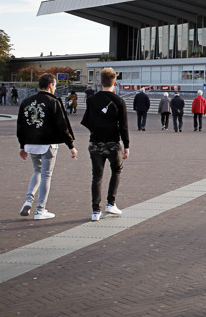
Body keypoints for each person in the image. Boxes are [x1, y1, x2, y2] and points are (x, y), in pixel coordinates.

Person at [17, 73, 77, 220]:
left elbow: (20, 125)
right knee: (46, 175)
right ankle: (40, 209)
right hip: (47, 144)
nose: (55, 88)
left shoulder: (27, 102)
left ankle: (29, 199)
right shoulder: (53, 101)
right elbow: (63, 125)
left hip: (31, 143)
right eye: (55, 85)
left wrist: (22, 145)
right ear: (50, 85)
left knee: (37, 171)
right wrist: (71, 145)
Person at [81, 67, 130, 221]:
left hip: (95, 142)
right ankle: (111, 203)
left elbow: (86, 121)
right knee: (116, 170)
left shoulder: (91, 100)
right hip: (113, 142)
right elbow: (123, 126)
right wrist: (126, 145)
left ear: (101, 82)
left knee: (97, 175)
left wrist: (97, 129)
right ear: (114, 82)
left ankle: (95, 210)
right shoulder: (119, 101)